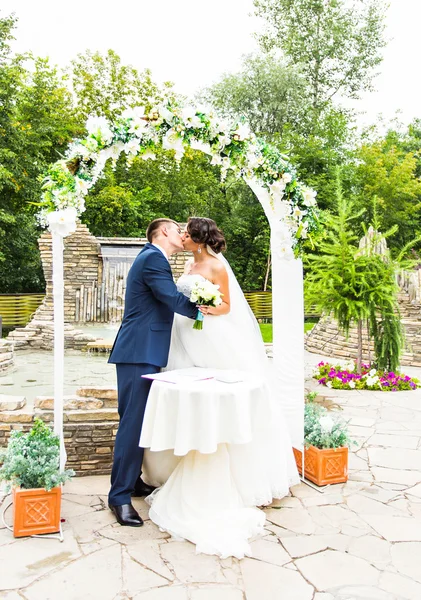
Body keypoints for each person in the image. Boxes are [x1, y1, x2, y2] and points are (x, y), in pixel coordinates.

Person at [143, 217, 300, 558]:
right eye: (180, 232)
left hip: (209, 334)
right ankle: (177, 460)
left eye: (186, 233)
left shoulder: (216, 266)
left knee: (214, 392)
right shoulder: (188, 262)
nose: (182, 236)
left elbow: (226, 305)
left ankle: (233, 474)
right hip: (182, 335)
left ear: (198, 239)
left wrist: (206, 307)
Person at [108, 218, 199, 527]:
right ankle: (118, 497)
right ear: (163, 233)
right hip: (138, 352)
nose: (182, 234)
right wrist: (204, 309)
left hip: (145, 350)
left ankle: (132, 482)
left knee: (138, 421)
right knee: (132, 424)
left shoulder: (154, 259)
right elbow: (171, 299)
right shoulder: (152, 259)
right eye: (177, 230)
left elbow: (163, 294)